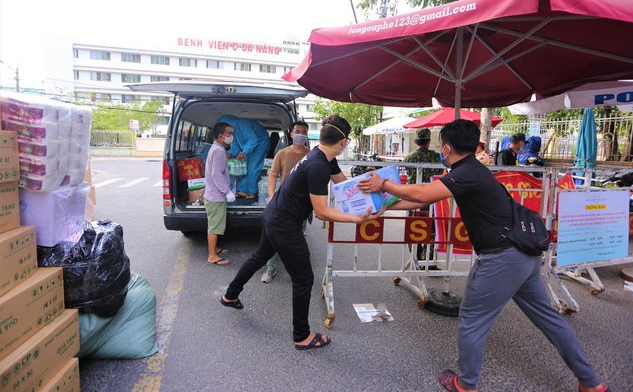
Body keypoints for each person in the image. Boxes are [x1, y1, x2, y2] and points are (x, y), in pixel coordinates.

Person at [357, 119, 609, 392]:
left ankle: (465, 384)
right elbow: (425, 198)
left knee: (472, 320)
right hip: (525, 256)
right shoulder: (471, 171)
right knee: (549, 318)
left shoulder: (467, 173)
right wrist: (388, 207)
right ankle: (591, 383)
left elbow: (423, 191)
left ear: (447, 147)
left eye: (442, 146)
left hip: (502, 259)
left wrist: (384, 185)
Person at [220, 115, 378, 350]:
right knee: (304, 279)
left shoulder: (321, 157)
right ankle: (301, 335)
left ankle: (230, 295)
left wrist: (376, 188)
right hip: (285, 224)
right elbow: (322, 212)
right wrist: (356, 218)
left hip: (274, 216)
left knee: (258, 257)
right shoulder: (317, 165)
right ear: (343, 142)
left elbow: (345, 186)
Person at [261, 120, 311, 283]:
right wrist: (271, 197)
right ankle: (271, 268)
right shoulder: (282, 154)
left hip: (302, 206)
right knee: (276, 237)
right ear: (291, 134)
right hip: (282, 204)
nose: (300, 135)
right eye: (298, 131)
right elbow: (273, 175)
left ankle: (296, 272)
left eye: (304, 132)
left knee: (297, 238)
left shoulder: (310, 155)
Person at [203, 122, 236, 265]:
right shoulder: (219, 151)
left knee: (214, 224)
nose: (231, 136)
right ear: (221, 136)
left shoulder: (217, 148)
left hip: (213, 194)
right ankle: (212, 256)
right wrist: (227, 191)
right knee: (214, 226)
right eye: (229, 134)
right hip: (216, 196)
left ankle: (214, 248)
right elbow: (216, 174)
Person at [218, 114, 270, 199]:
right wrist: (230, 153)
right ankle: (242, 190)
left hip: (261, 144)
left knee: (253, 167)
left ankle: (252, 192)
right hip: (249, 146)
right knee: (244, 168)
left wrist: (244, 152)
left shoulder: (243, 124)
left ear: (230, 125)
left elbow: (253, 139)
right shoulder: (234, 131)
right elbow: (237, 144)